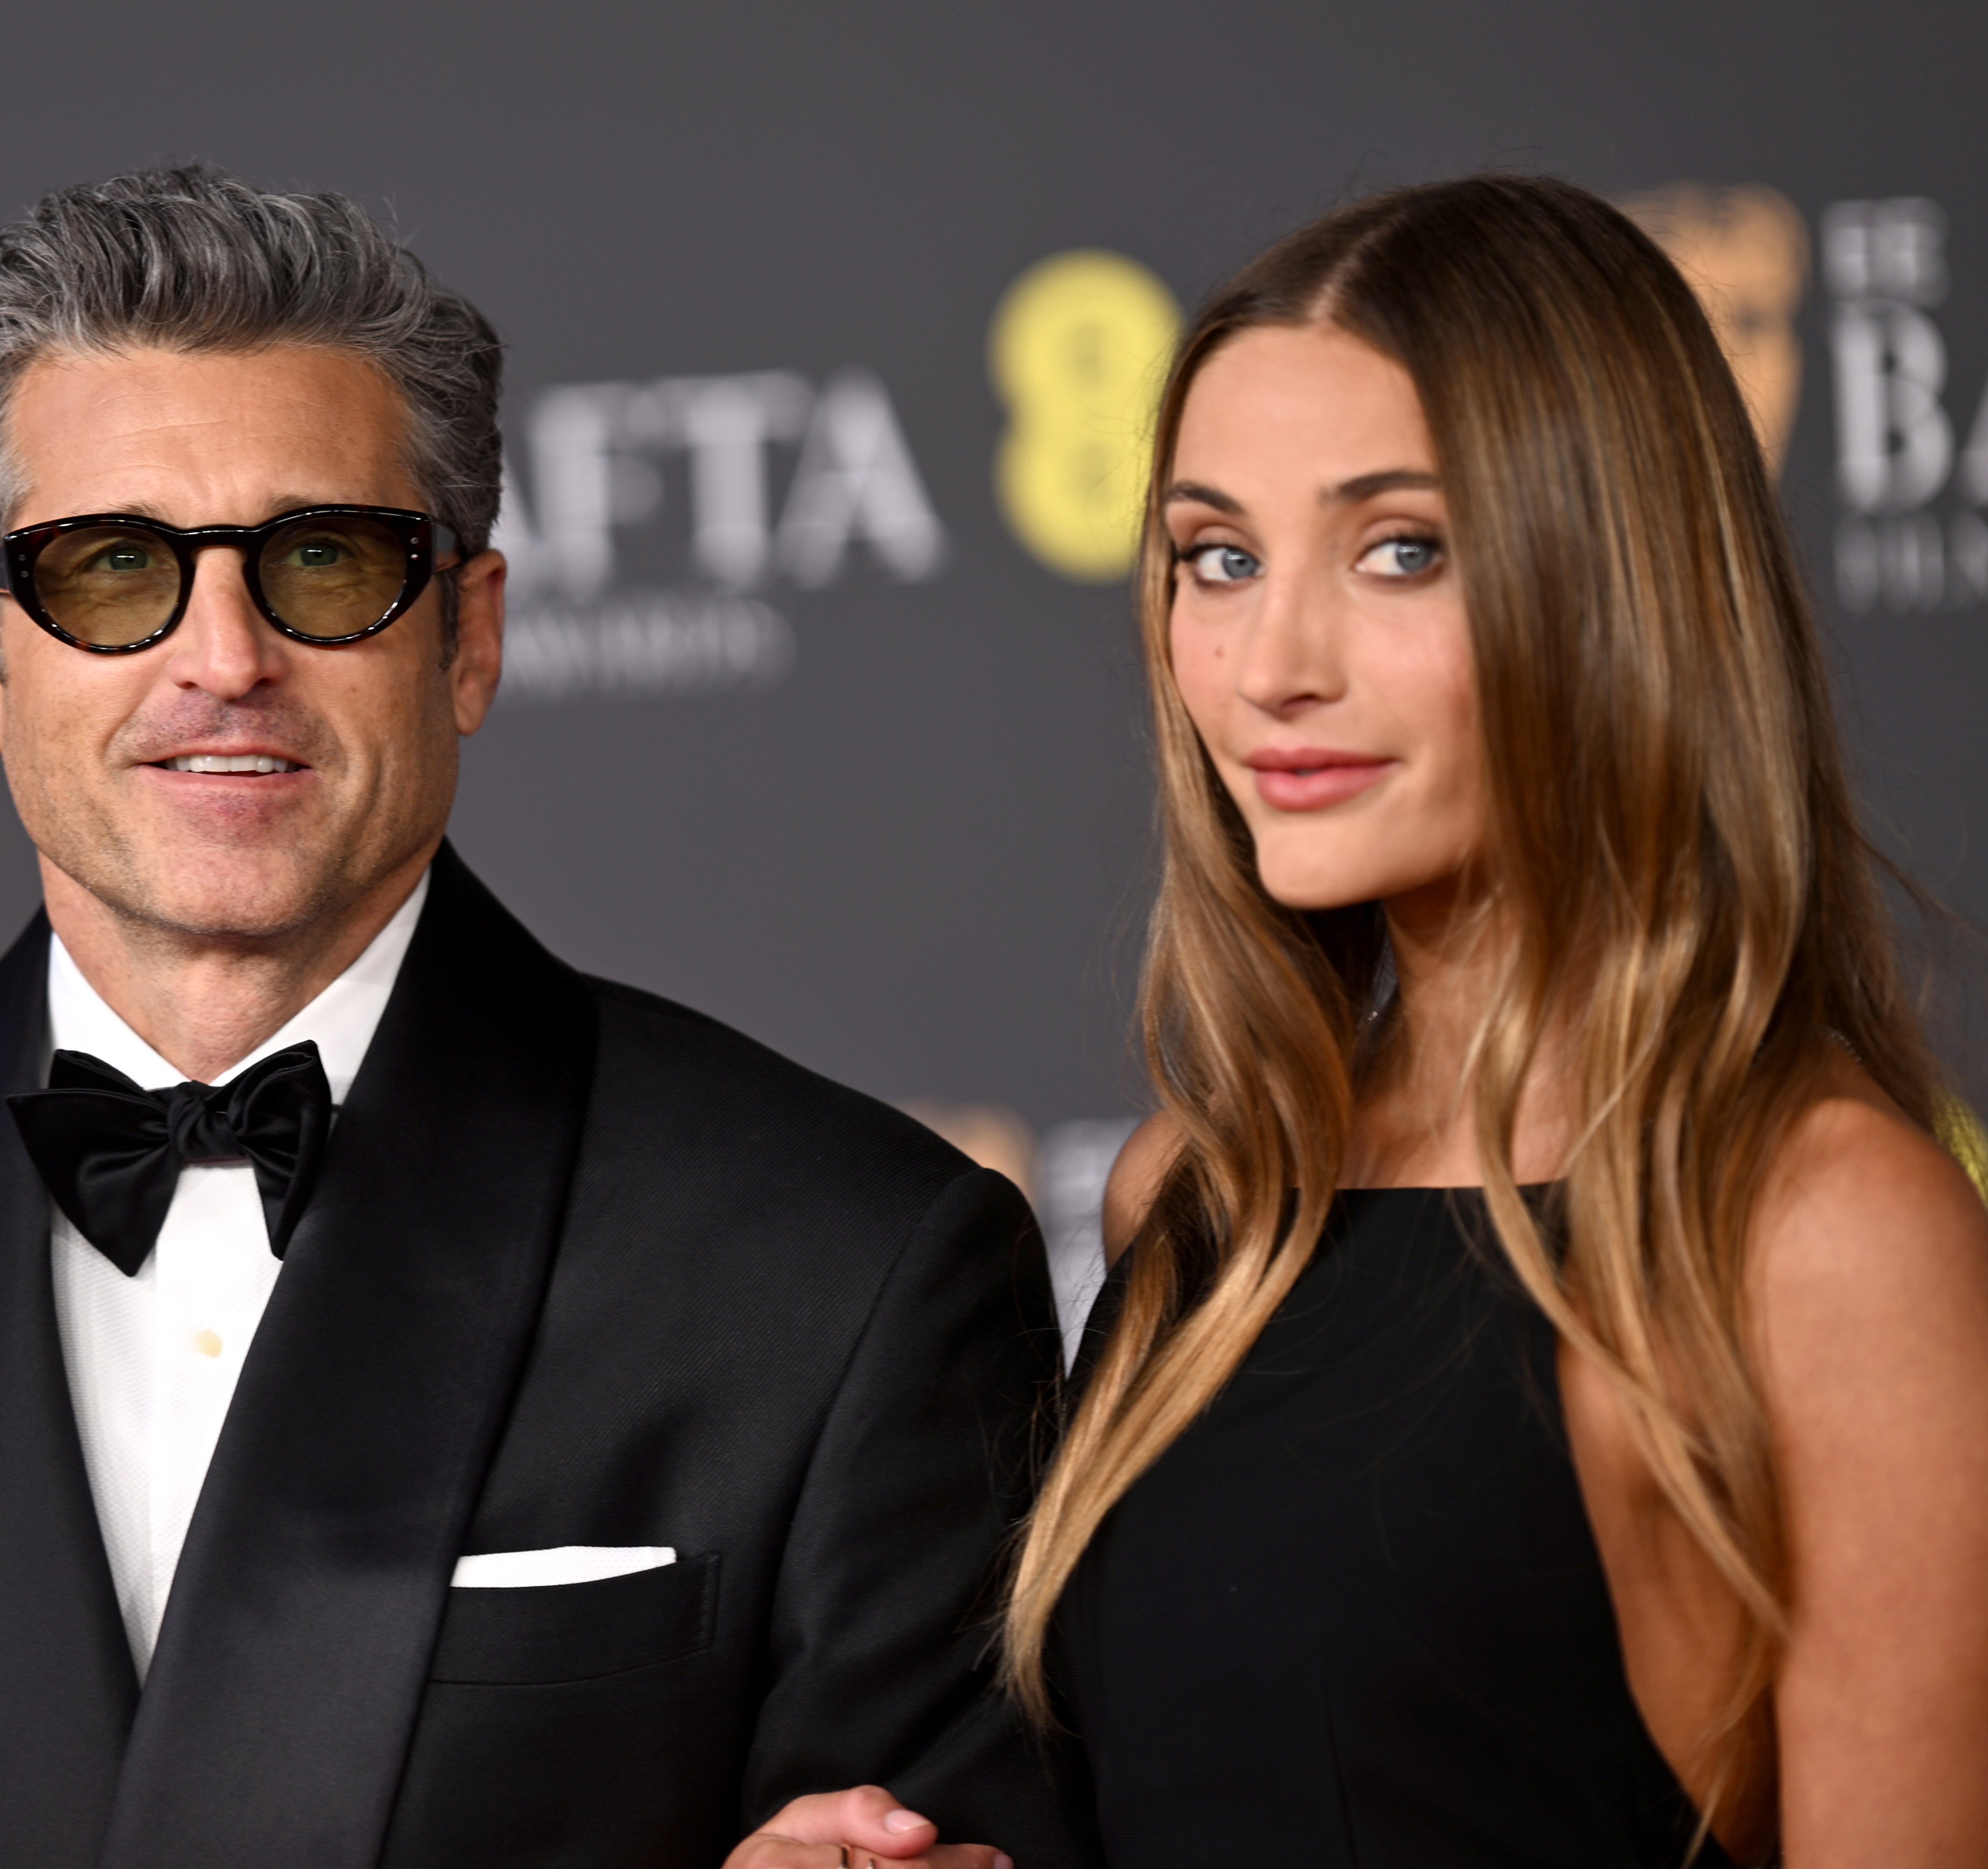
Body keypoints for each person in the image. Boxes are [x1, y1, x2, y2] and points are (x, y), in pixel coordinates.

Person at [0, 167, 1075, 1869]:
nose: (223, 656)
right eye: (105, 570)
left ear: (469, 637)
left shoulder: (846, 1268)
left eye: (322, 560)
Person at [745, 174, 1988, 1869]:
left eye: (1400, 550)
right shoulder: (1205, 1195)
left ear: (1614, 580)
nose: (1271, 663)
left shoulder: (1818, 1232)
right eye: (1219, 558)